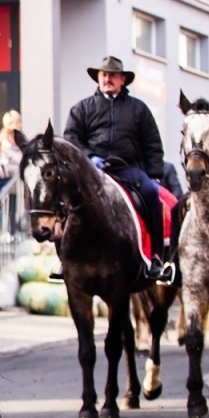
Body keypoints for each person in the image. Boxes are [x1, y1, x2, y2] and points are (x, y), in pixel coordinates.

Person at [63, 55, 166, 281]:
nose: (107, 79)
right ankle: (64, 259)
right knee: (65, 199)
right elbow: (71, 139)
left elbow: (152, 143)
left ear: (122, 80)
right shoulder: (81, 109)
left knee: (151, 194)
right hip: (93, 171)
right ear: (98, 78)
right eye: (104, 74)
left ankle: (157, 257)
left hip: (128, 169)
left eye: (112, 75)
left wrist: (155, 175)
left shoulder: (139, 109)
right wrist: (90, 158)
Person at [0, 109, 24, 182]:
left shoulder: (23, 139)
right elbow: (4, 166)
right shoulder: (1, 143)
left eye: (18, 122)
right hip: (9, 183)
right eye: (12, 123)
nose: (16, 125)